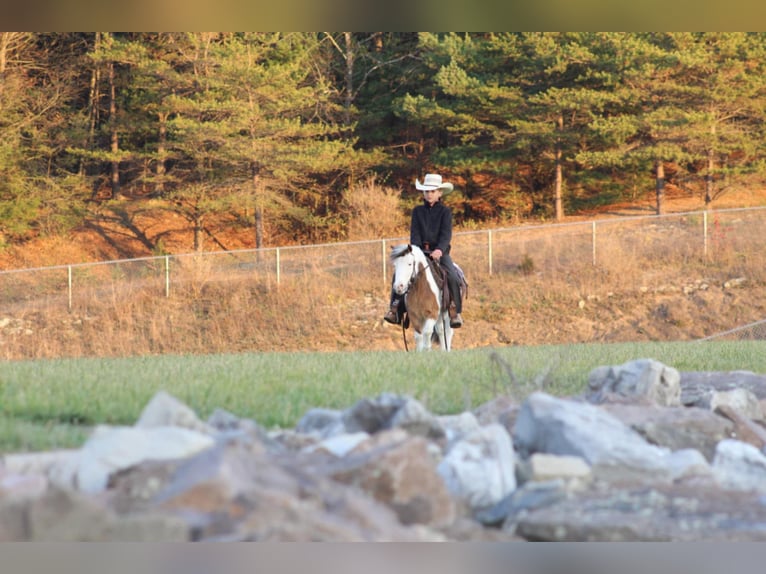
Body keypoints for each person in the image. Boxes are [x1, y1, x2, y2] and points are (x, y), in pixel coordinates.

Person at [383, 173, 464, 328]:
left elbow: (446, 234)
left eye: (433, 191)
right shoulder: (417, 211)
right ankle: (395, 310)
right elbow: (415, 233)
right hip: (419, 252)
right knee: (399, 274)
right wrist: (417, 250)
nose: (429, 194)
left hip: (440, 253)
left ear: (440, 193)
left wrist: (439, 250)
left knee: (452, 276)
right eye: (426, 191)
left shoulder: (445, 212)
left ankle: (454, 311)